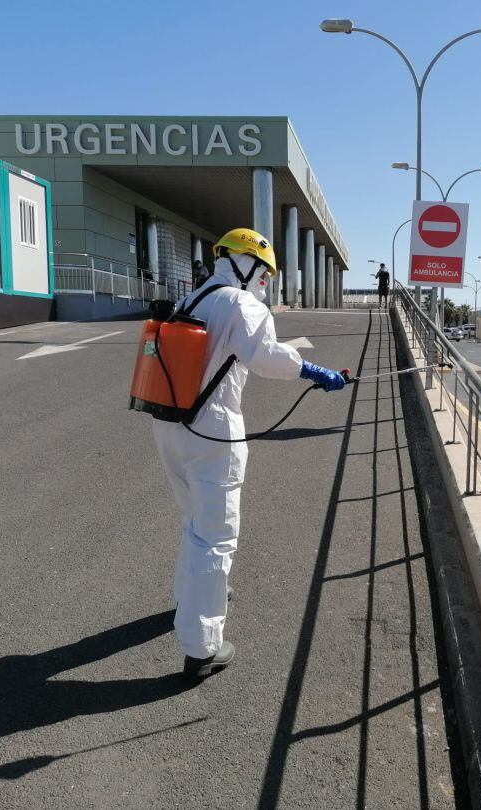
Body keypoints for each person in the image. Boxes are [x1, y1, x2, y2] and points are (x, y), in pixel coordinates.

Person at [152, 228, 346, 679]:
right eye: (265, 275)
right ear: (248, 264)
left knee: (195, 521)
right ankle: (202, 647)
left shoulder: (192, 299)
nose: (265, 284)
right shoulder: (241, 303)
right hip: (212, 430)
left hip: (169, 424)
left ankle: (190, 598)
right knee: (216, 536)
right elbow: (266, 357)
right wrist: (315, 372)